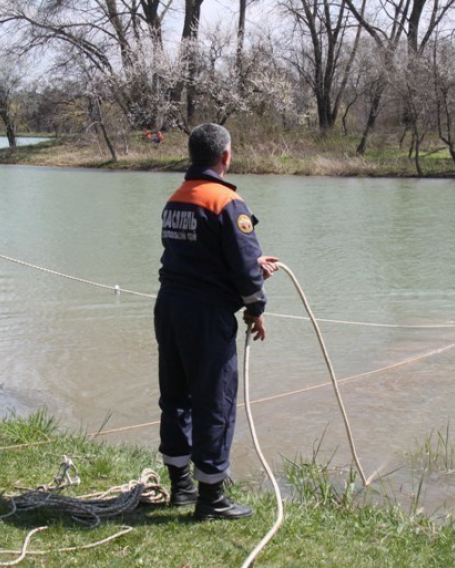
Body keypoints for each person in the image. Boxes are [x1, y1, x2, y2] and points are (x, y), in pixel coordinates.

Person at [154, 123, 278, 520]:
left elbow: (198, 255)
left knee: (175, 398)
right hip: (205, 315)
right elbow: (242, 270)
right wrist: (256, 306)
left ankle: (181, 488)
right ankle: (211, 499)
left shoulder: (176, 198)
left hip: (169, 307)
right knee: (215, 402)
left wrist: (248, 267)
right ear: (225, 156)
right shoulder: (227, 201)